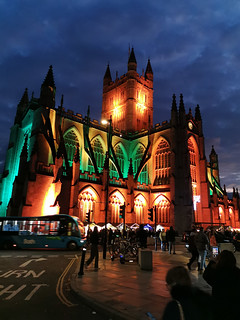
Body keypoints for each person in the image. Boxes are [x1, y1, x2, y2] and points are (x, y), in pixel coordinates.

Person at [203, 250, 240, 320]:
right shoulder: (237, 272)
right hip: (234, 304)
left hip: (219, 303)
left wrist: (212, 262)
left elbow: (206, 276)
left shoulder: (217, 272)